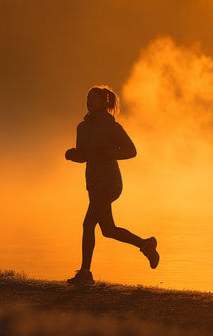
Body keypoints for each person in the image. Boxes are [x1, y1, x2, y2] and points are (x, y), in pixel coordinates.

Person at [65, 85, 159, 285]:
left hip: (110, 183)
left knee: (88, 223)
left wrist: (109, 152)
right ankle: (146, 245)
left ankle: (85, 273)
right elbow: (84, 155)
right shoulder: (82, 127)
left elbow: (131, 150)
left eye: (95, 98)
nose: (90, 101)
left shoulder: (111, 127)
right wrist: (73, 155)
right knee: (108, 230)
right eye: (88, 98)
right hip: (93, 183)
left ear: (105, 102)